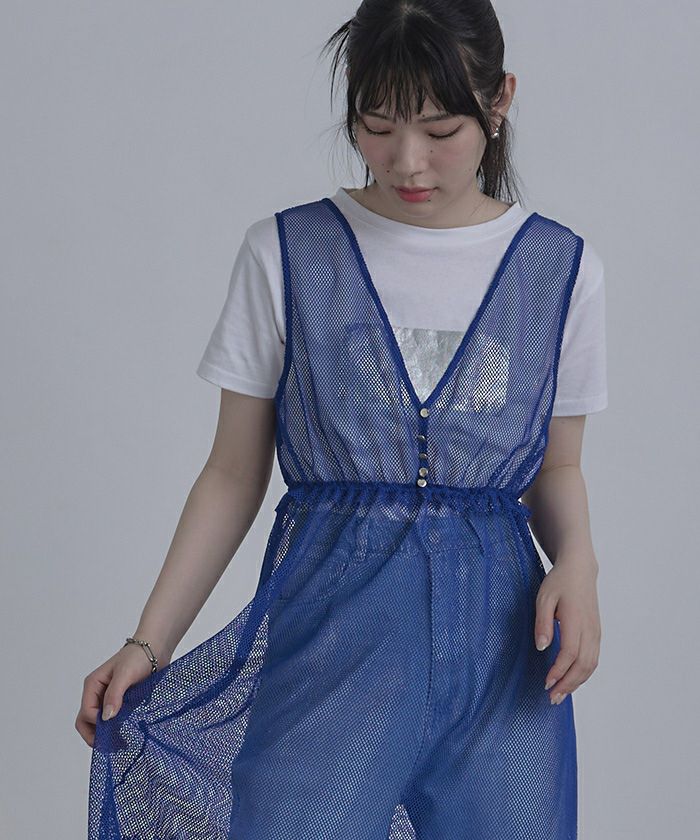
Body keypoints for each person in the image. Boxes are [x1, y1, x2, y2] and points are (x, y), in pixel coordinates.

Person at [76, 1, 606, 837]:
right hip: (328, 655)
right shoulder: (287, 253)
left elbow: (559, 464)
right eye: (378, 126)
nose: (407, 160)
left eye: (440, 129)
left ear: (499, 99)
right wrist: (149, 643)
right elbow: (232, 473)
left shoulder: (560, 269)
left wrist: (579, 562)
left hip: (502, 671)